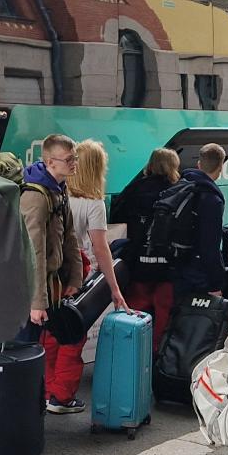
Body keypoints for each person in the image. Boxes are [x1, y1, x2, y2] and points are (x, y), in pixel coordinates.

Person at [42, 139, 125, 414]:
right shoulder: (94, 203)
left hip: (54, 270)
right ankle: (61, 396)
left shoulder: (58, 192)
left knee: (51, 332)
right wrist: (114, 287)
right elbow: (100, 248)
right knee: (72, 333)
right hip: (80, 269)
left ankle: (44, 389)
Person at [110, 147, 184, 342]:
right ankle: (156, 352)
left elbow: (117, 216)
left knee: (136, 305)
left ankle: (133, 347)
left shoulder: (135, 189)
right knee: (164, 309)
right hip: (167, 264)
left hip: (138, 261)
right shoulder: (178, 191)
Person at [22, 135, 85, 343]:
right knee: (27, 350)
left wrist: (75, 278)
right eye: (68, 160)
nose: (74, 164)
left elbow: (69, 235)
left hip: (51, 287)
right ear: (50, 162)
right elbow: (34, 252)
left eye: (75, 158)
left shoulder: (59, 189)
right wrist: (37, 303)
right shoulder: (36, 198)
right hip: (29, 294)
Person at [176, 143, 228, 300]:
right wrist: (216, 283)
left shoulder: (181, 186)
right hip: (198, 274)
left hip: (177, 266)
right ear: (220, 167)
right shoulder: (212, 200)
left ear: (199, 164)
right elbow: (210, 246)